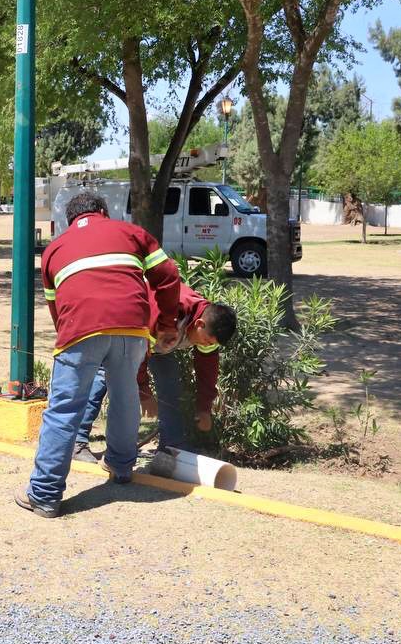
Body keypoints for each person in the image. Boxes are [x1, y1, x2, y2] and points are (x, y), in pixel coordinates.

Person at [16, 191, 180, 518]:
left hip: (80, 328)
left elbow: (56, 306)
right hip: (132, 328)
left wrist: (73, 338)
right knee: (125, 397)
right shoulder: (132, 233)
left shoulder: (52, 251)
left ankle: (45, 495)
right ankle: (121, 468)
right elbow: (169, 276)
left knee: (64, 409)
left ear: (69, 221)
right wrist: (166, 323)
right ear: (103, 211)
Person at [74, 281, 237, 473]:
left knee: (170, 384)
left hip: (155, 344)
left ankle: (171, 446)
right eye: (206, 340)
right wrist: (144, 392)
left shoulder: (208, 326)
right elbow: (138, 347)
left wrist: (204, 408)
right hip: (127, 330)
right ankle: (77, 442)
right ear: (200, 324)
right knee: (103, 376)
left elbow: (207, 370)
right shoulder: (171, 311)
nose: (205, 344)